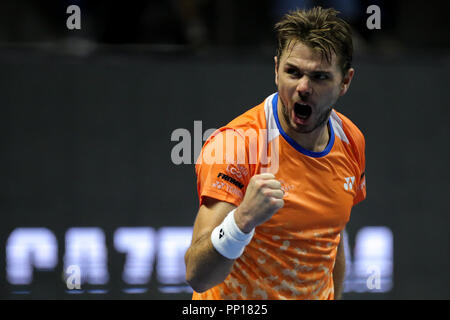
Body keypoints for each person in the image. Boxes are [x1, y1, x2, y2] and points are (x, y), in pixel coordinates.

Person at [184, 6, 366, 300]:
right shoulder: (237, 145)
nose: (303, 88)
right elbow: (197, 275)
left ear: (345, 82)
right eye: (293, 72)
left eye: (320, 77)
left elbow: (332, 237)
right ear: (276, 70)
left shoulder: (351, 140)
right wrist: (242, 220)